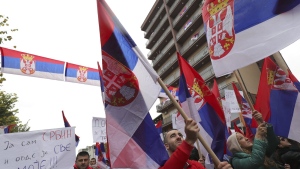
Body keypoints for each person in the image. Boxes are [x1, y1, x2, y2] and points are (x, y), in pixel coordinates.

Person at [159, 118, 233, 169]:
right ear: (166, 146)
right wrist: (189, 140)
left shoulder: (196, 165)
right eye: (173, 136)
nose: (178, 137)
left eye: (180, 135)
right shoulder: (161, 167)